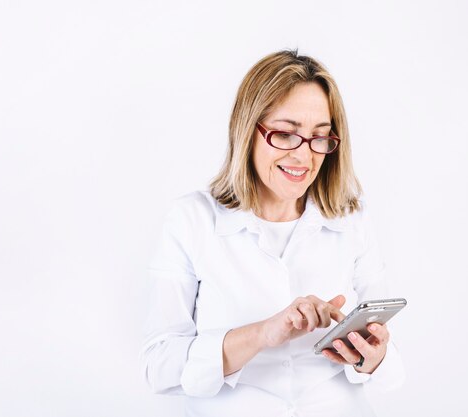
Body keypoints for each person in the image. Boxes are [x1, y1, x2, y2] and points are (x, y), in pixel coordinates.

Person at [140, 50, 405, 417]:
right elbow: (159, 367)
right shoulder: (191, 219)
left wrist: (373, 358)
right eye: (285, 134)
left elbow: (393, 374)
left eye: (320, 137)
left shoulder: (351, 219)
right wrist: (264, 333)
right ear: (248, 131)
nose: (304, 156)